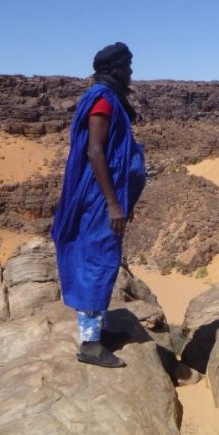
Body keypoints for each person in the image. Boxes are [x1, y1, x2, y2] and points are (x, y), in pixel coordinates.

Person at [51, 42, 146, 368]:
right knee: (97, 260)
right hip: (97, 199)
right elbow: (95, 150)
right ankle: (90, 344)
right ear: (117, 69)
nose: (132, 73)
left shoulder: (109, 97)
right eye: (129, 67)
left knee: (103, 258)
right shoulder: (103, 101)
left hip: (105, 196)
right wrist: (112, 203)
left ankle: (99, 329)